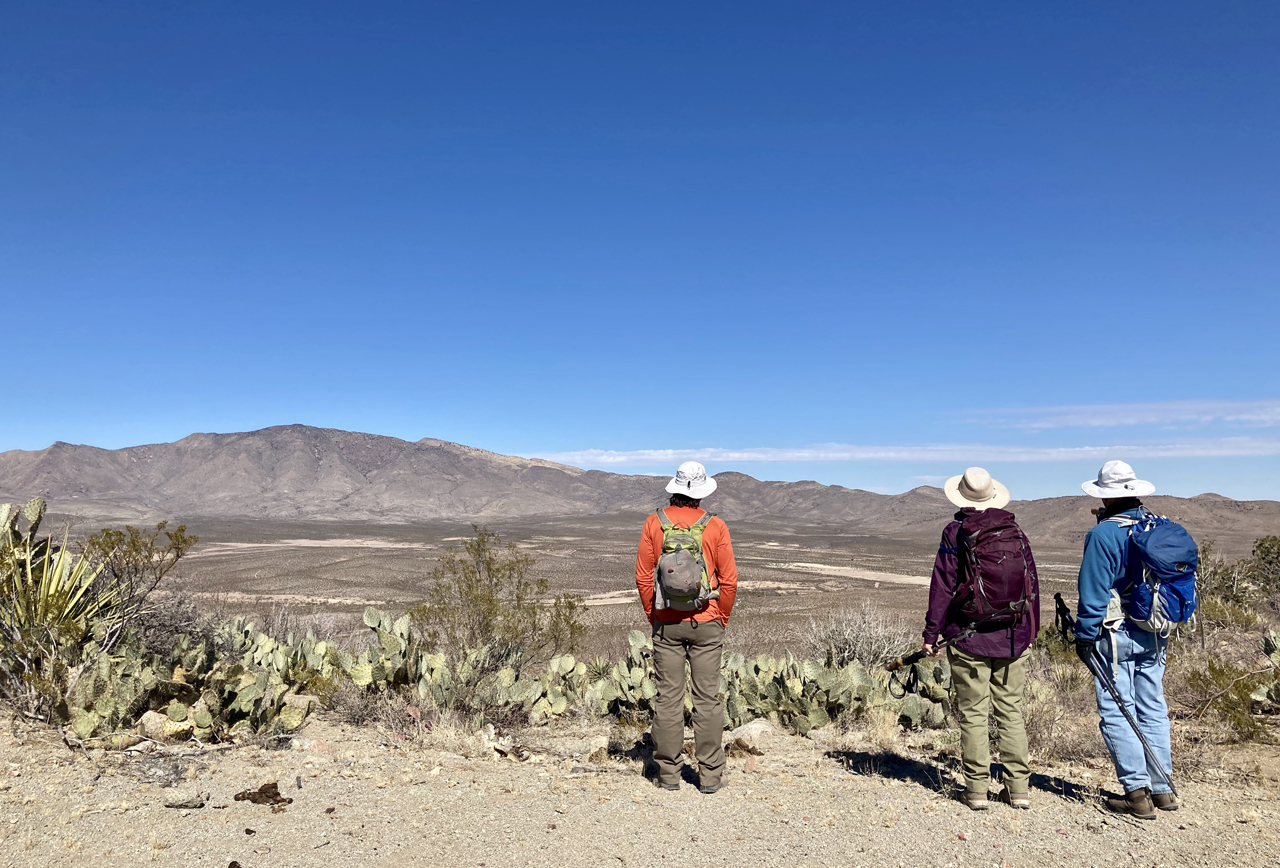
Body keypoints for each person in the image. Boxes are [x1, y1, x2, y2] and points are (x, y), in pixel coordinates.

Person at [922, 467, 1040, 811]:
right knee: (1011, 712)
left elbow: (942, 585)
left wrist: (932, 633)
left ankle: (976, 791)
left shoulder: (955, 532)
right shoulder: (1014, 531)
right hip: (1013, 637)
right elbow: (1032, 584)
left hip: (969, 638)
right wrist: (1030, 630)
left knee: (974, 713)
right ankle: (1018, 790)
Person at [1075, 460, 1178, 818]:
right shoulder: (1157, 525)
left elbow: (1093, 590)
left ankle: (1136, 793)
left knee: (1118, 708)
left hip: (1115, 632)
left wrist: (1084, 635)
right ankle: (1163, 788)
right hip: (1155, 629)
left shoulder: (1103, 534)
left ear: (1106, 497)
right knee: (1152, 705)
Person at [634, 461, 738, 793]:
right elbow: (730, 581)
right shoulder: (715, 526)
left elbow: (642, 577)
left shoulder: (655, 523)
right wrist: (720, 617)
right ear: (701, 491)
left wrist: (655, 616)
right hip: (707, 623)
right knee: (707, 699)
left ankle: (668, 775)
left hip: (667, 625)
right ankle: (709, 776)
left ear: (675, 489)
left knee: (668, 699)